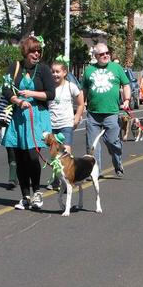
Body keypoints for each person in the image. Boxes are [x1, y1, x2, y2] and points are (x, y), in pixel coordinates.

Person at [1, 36, 55, 210]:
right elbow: (6, 89)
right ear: (26, 52)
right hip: (18, 117)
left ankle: (37, 192)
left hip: (37, 117)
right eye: (33, 51)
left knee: (32, 156)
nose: (37, 54)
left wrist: (31, 94)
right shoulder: (15, 67)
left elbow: (50, 94)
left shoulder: (44, 70)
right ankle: (25, 196)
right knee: (20, 157)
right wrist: (17, 101)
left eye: (39, 51)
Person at [82, 43, 131, 177]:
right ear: (95, 56)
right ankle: (95, 171)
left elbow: (126, 85)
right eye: (102, 54)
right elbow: (84, 90)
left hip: (111, 112)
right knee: (92, 145)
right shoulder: (89, 70)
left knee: (112, 142)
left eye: (107, 53)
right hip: (93, 113)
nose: (105, 56)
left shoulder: (116, 68)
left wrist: (126, 100)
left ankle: (117, 163)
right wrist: (81, 107)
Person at [47, 55, 85, 189]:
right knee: (54, 155)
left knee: (66, 153)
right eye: (53, 71)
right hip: (52, 125)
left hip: (66, 124)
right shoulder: (49, 87)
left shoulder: (71, 86)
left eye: (58, 71)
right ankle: (56, 180)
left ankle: (69, 178)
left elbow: (81, 103)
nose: (55, 74)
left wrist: (77, 117)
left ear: (64, 73)